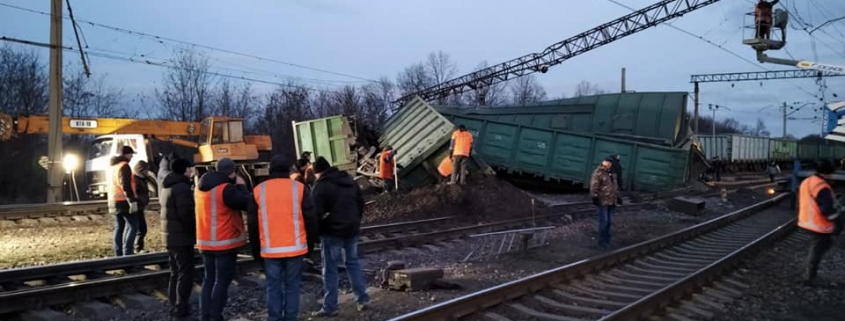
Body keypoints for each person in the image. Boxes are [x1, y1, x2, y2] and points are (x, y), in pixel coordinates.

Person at [248, 155, 316, 321]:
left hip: (270, 251)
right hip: (296, 248)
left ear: (270, 170)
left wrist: (256, 251)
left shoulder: (258, 190)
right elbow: (311, 219)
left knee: (273, 287)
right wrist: (311, 246)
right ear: (288, 170)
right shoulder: (299, 188)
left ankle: (274, 318)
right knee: (293, 286)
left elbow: (253, 225)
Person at [310, 157, 369, 317]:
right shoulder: (349, 180)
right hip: (351, 229)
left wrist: (317, 232)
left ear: (317, 172)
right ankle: (362, 299)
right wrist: (355, 221)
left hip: (331, 232)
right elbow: (360, 204)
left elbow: (315, 213)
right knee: (353, 263)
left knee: (330, 269)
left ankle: (330, 306)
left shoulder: (320, 186)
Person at [195, 158, 252, 321]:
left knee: (208, 280)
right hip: (224, 242)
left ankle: (205, 316)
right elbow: (247, 203)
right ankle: (215, 316)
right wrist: (241, 185)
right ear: (232, 172)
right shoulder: (226, 189)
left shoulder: (200, 187)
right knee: (221, 282)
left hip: (206, 242)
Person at [161, 158, 196, 320]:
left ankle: (174, 305)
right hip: (181, 237)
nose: (192, 171)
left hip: (170, 236)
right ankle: (181, 308)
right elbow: (185, 214)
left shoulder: (167, 186)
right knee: (184, 274)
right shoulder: (182, 188)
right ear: (185, 170)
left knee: (175, 273)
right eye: (190, 168)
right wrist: (194, 232)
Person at [797, 160, 840, 283]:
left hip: (806, 221)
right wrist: (838, 223)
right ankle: (809, 277)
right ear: (828, 173)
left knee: (823, 244)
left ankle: (809, 273)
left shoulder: (807, 181)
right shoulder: (822, 187)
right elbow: (827, 209)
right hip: (818, 224)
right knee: (818, 248)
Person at [110, 146, 139, 256]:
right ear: (126, 154)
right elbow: (125, 185)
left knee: (119, 227)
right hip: (123, 201)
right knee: (133, 226)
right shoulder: (124, 166)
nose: (132, 156)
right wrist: (132, 201)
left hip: (114, 200)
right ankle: (128, 253)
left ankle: (118, 254)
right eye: (131, 154)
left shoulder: (113, 166)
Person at [590, 157, 619, 249]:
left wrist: (618, 197)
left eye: (610, 162)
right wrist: (594, 197)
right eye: (607, 162)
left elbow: (614, 186)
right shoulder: (599, 172)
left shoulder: (612, 173)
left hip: (611, 201)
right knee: (604, 221)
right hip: (602, 201)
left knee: (609, 222)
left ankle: (607, 241)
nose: (608, 163)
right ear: (603, 162)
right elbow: (594, 185)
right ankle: (601, 242)